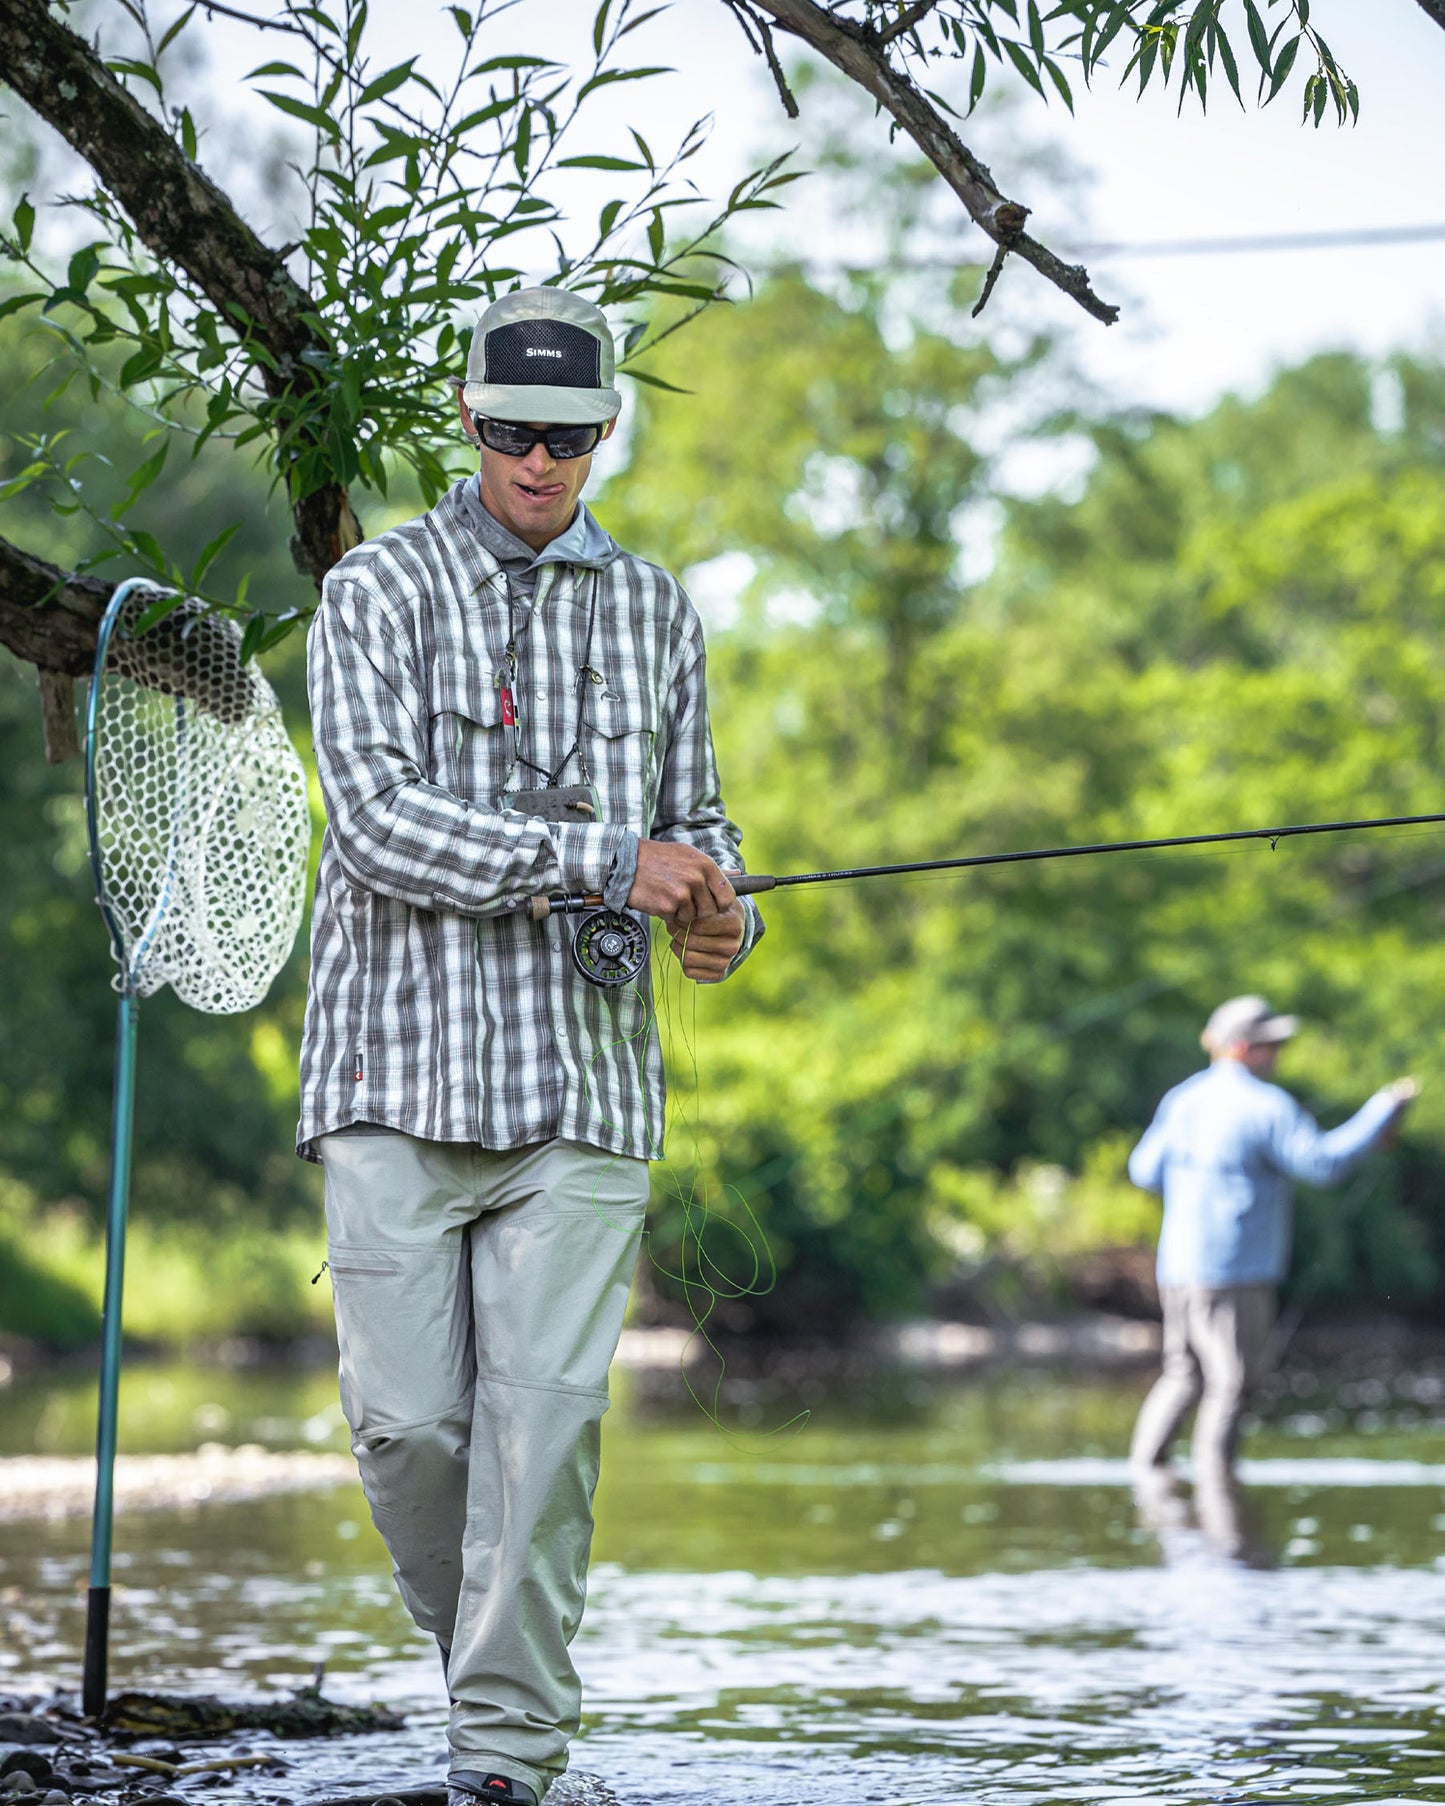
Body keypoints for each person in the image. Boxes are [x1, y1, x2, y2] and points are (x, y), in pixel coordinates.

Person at [297, 287, 764, 1806]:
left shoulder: (657, 606)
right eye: (512, 432)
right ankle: (502, 1679)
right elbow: (372, 819)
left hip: (584, 1085)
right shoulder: (373, 589)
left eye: (567, 438)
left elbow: (697, 828)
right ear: (465, 415)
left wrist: (719, 910)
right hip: (390, 1076)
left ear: (604, 432)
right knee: (409, 1432)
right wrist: (596, 861)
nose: (539, 462)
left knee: (544, 1437)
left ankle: (504, 1766)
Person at [1127, 994, 1416, 1480]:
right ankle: (1218, 1491)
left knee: (1184, 1375)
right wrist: (1381, 1111)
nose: (1278, 1054)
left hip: (1176, 1266)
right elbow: (1323, 1165)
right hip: (1234, 1270)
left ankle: (1144, 1477)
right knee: (1233, 1383)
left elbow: (1143, 1171)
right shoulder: (1266, 1105)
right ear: (1240, 1047)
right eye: (1270, 1045)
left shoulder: (1182, 1098)